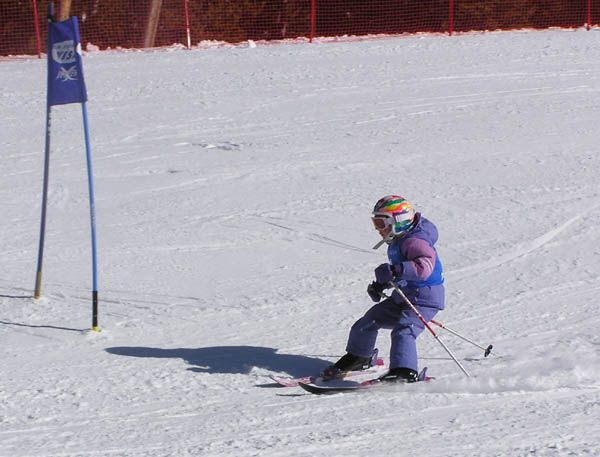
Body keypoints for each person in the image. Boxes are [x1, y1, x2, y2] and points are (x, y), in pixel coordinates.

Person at [324, 195, 445, 382]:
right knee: (368, 322)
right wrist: (381, 284)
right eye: (376, 223)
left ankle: (404, 371)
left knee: (404, 330)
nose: (378, 229)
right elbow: (401, 274)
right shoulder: (397, 241)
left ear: (398, 221)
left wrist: (395, 270)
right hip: (403, 296)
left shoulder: (415, 242)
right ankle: (360, 357)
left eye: (381, 223)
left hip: (424, 299)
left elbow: (424, 268)